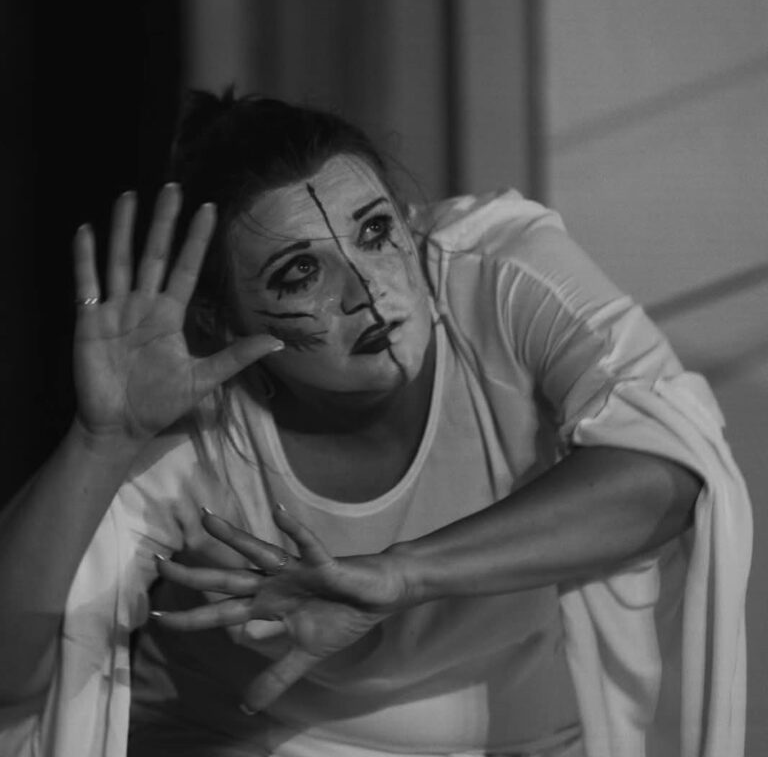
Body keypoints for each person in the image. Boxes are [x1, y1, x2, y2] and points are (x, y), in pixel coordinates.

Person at [0, 91, 751, 757]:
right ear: (222, 321)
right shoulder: (195, 407)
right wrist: (100, 444)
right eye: (301, 273)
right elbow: (9, 678)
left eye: (375, 232)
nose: (364, 291)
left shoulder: (500, 278)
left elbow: (670, 473)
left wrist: (399, 572)